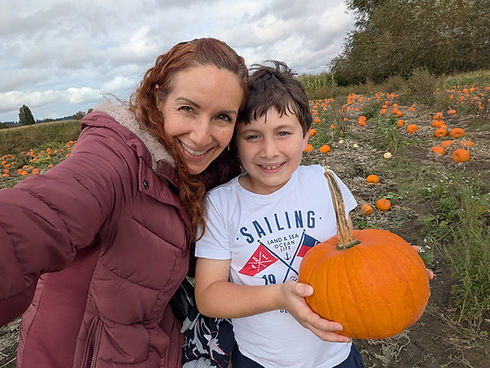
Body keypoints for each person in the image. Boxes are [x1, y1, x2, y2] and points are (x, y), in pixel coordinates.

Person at [0, 37, 248, 368]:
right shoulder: (115, 157)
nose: (202, 135)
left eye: (222, 117)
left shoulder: (197, 176)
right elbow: (44, 212)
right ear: (160, 97)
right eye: (188, 108)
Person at [194, 61, 366, 368]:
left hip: (335, 354)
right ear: (235, 144)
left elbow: (351, 251)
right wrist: (280, 295)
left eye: (283, 132)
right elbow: (208, 296)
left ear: (306, 136)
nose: (269, 151)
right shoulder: (221, 204)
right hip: (261, 360)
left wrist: (389, 263)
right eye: (253, 136)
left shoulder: (324, 182)